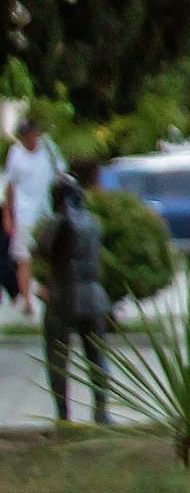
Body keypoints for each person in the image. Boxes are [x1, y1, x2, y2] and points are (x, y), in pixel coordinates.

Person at [37, 174, 111, 425]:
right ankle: (100, 410)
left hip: (64, 295)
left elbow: (43, 250)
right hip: (91, 295)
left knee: (58, 357)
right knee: (97, 355)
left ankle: (64, 415)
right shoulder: (92, 222)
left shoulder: (57, 223)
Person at [7, 118, 66, 313]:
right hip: (24, 212)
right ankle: (27, 301)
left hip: (46, 211)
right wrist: (9, 215)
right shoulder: (15, 154)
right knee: (23, 257)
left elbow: (61, 175)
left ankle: (47, 291)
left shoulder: (48, 149)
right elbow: (11, 186)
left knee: (48, 254)